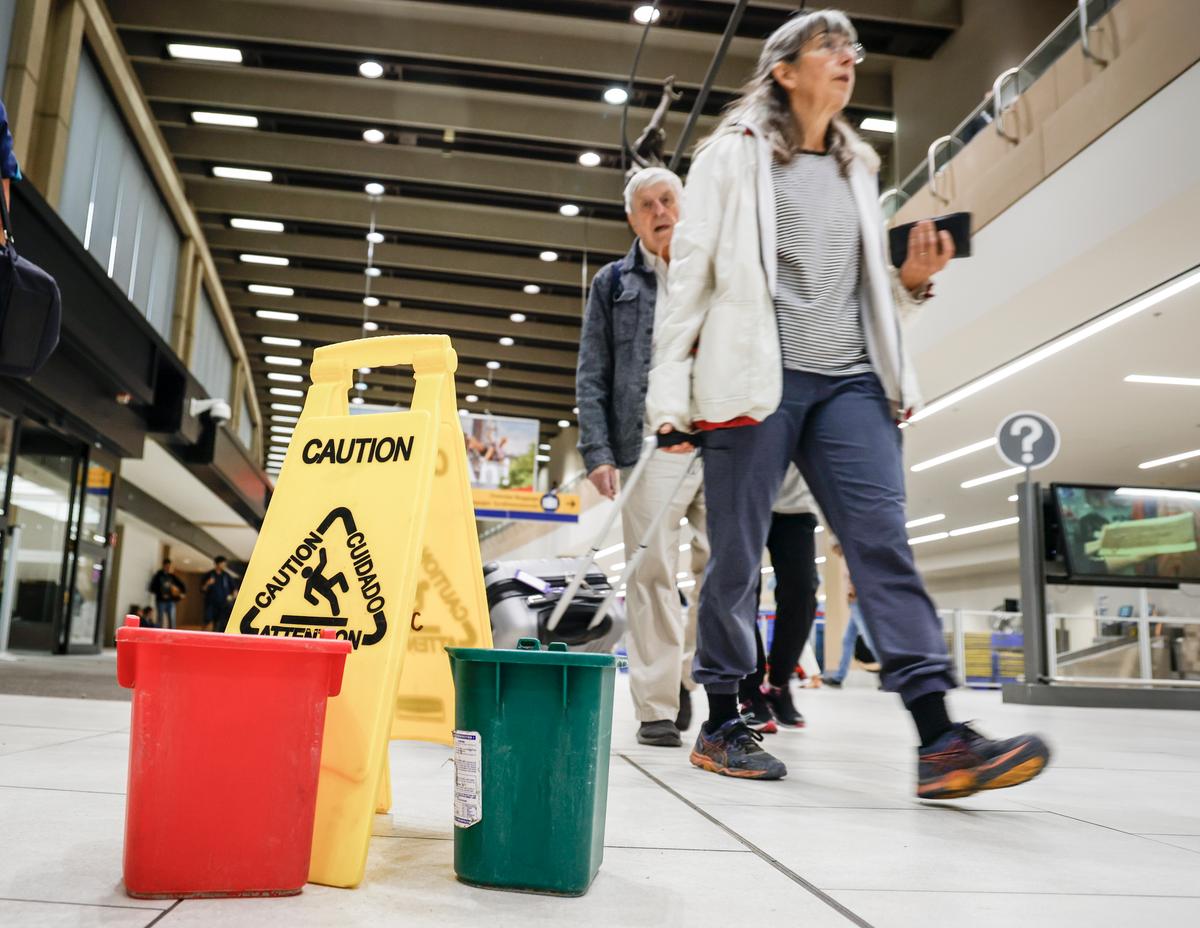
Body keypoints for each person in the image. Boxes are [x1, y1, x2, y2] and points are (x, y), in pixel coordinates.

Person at [647, 10, 1050, 795]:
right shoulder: (731, 158)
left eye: (852, 49)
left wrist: (907, 285)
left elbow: (862, 293)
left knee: (881, 544)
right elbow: (689, 280)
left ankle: (939, 739)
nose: (847, 60)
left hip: (851, 382)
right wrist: (670, 402)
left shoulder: (857, 165)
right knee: (734, 557)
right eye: (828, 48)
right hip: (754, 382)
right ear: (784, 71)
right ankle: (723, 717)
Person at [576, 166, 709, 747]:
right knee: (652, 573)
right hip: (647, 443)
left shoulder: (715, 268)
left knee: (726, 570)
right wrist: (597, 449)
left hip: (721, 437)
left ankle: (681, 675)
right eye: (647, 205)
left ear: (685, 204)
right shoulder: (613, 283)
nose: (660, 211)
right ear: (632, 219)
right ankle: (656, 706)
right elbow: (593, 371)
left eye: (668, 199)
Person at [740, 466, 820, 731]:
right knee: (742, 595)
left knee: (803, 592)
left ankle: (778, 683)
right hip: (743, 498)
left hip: (796, 504)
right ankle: (749, 690)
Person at [823, 582, 877, 687]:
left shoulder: (861, 566)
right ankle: (839, 677)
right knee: (847, 639)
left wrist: (853, 593)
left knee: (868, 639)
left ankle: (891, 673)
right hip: (856, 601)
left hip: (859, 600)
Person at [148, 558, 186, 630]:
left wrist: (183, 593)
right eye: (166, 566)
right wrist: (161, 594)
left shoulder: (172, 576)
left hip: (170, 601)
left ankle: (173, 636)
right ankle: (159, 636)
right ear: (163, 565)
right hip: (160, 601)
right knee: (160, 620)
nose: (168, 568)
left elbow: (182, 585)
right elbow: (152, 588)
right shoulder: (158, 575)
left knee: (172, 620)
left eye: (169, 566)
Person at [202, 556, 235, 633]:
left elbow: (234, 588)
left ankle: (216, 639)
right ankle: (203, 638)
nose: (224, 566)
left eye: (224, 564)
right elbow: (202, 589)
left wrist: (233, 596)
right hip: (210, 604)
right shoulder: (209, 575)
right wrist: (208, 583)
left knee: (220, 624)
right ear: (217, 564)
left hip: (223, 604)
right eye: (222, 564)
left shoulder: (226, 575)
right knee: (208, 622)